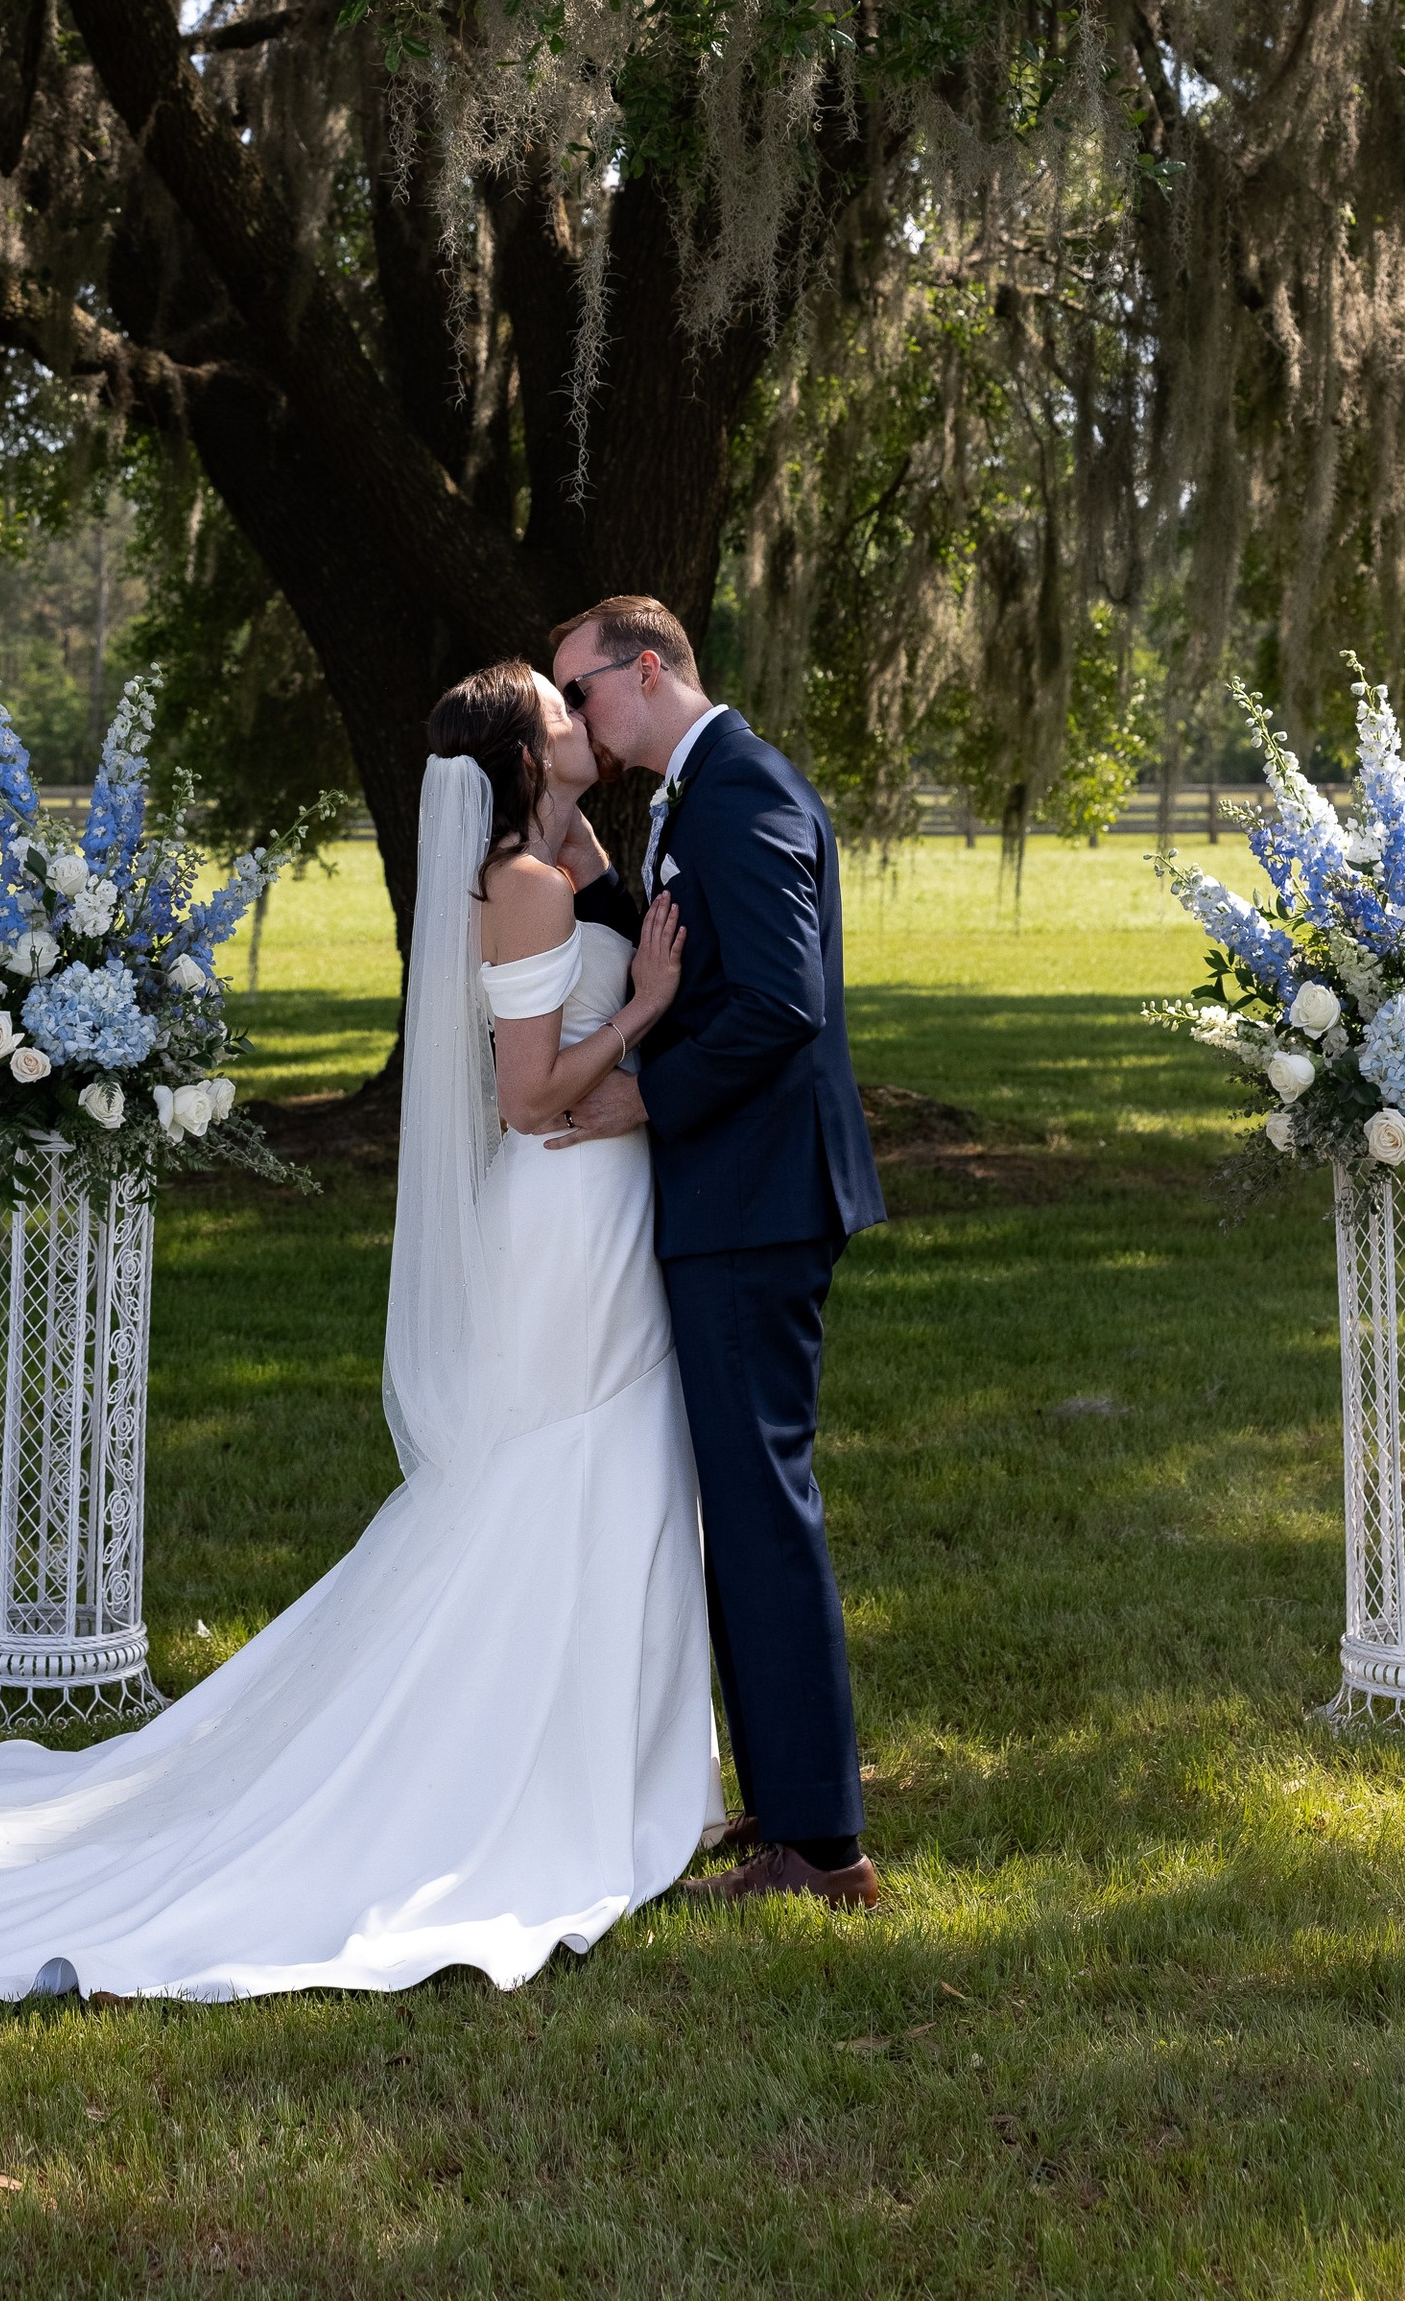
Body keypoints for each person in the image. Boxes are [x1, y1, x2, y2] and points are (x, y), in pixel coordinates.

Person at [0, 661, 717, 2004]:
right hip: (564, 1214)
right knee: (557, 1478)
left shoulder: (572, 849)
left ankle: (621, 1762)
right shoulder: (520, 886)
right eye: (558, 708)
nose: (583, 713)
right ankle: (533, 1774)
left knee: (618, 1468)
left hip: (607, 1205)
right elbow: (524, 1100)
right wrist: (639, 1013)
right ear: (522, 756)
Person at [547, 595, 887, 1909]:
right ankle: (795, 1804)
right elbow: (701, 959)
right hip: (740, 1194)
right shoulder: (699, 790)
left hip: (756, 1198)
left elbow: (781, 1004)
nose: (576, 719)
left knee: (761, 1512)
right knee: (743, 1513)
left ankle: (824, 1844)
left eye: (581, 692)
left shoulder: (740, 788)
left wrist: (646, 1094)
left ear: (646, 668)